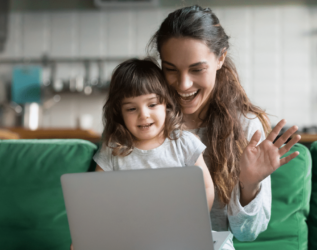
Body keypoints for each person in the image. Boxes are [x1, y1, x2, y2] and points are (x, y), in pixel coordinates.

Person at [147, 4, 301, 247]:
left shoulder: (246, 127)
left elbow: (247, 233)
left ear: (220, 58)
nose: (184, 84)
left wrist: (249, 184)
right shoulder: (147, 122)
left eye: (197, 69)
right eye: (171, 70)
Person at [93, 57, 215, 210]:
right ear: (120, 113)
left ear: (166, 104)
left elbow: (206, 188)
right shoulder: (113, 149)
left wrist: (197, 218)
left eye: (152, 104)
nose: (143, 115)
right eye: (131, 109)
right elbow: (98, 194)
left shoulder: (184, 143)